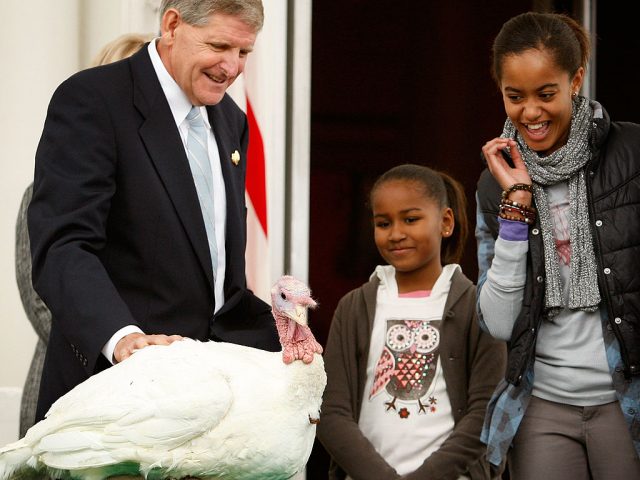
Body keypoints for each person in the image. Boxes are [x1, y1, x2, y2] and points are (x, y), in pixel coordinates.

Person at [27, 0, 279, 423]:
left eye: (244, 53)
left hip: (208, 401)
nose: (232, 68)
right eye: (219, 45)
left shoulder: (230, 120)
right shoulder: (94, 99)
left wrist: (283, 337)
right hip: (113, 398)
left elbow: (218, 280)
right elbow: (64, 246)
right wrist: (123, 339)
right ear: (172, 25)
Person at [476, 11, 640, 480]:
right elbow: (500, 323)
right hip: (542, 405)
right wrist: (516, 204)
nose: (531, 112)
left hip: (625, 399)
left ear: (576, 80)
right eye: (515, 96)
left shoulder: (632, 154)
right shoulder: (496, 185)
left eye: (546, 93)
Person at [317, 164, 507, 480]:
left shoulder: (479, 308)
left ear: (445, 222)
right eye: (383, 223)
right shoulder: (354, 308)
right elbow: (331, 412)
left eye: (411, 219)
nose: (396, 233)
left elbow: (486, 412)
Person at [15, 32, 154, 437]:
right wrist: (116, 344)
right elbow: (41, 300)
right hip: (70, 385)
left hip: (151, 390)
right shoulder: (44, 191)